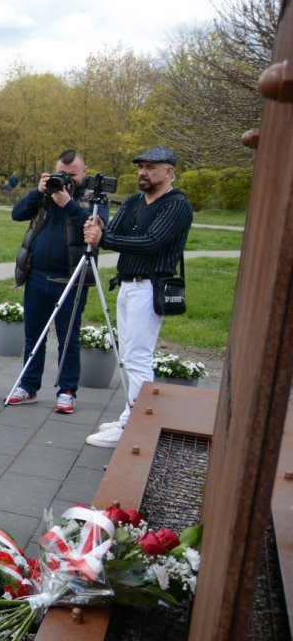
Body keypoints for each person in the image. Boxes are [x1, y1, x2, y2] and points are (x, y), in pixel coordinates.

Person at [83, 146, 193, 448]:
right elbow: (116, 233)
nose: (142, 172)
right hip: (128, 286)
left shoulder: (176, 205)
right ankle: (130, 415)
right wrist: (99, 228)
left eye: (150, 167)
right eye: (141, 166)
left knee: (138, 357)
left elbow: (151, 242)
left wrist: (104, 238)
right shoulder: (134, 201)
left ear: (169, 171)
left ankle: (135, 423)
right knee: (129, 355)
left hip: (150, 288)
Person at [5, 150, 109, 414]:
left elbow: (95, 227)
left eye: (71, 174)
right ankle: (28, 386)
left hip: (71, 280)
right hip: (37, 275)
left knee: (68, 339)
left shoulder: (94, 197)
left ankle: (67, 390)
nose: (65, 179)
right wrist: (38, 191)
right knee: (33, 337)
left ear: (84, 173)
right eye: (61, 173)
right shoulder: (47, 194)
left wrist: (68, 203)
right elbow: (17, 214)